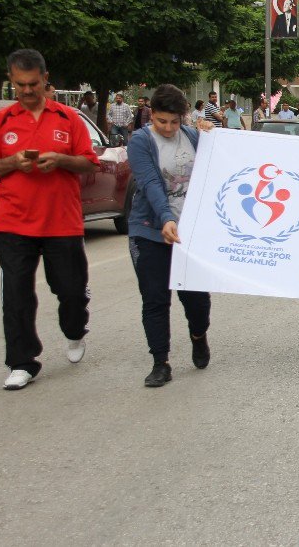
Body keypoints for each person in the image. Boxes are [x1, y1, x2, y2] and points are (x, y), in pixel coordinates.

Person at [0, 49, 100, 390]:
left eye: (33, 83)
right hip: (13, 223)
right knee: (17, 295)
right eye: (20, 85)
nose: (27, 91)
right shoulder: (1, 122)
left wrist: (61, 160)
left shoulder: (68, 118)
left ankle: (75, 330)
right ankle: (22, 362)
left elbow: (89, 162)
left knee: (69, 290)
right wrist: (12, 164)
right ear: (11, 81)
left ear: (45, 78)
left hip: (61, 222)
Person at [126, 84, 214, 388]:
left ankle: (198, 335)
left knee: (197, 300)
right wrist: (165, 219)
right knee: (155, 298)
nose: (167, 128)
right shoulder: (140, 141)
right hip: (150, 230)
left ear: (183, 117)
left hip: (190, 234)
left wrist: (210, 134)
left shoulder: (191, 136)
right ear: (152, 114)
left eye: (174, 122)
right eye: (161, 121)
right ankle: (160, 362)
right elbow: (150, 183)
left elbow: (216, 164)